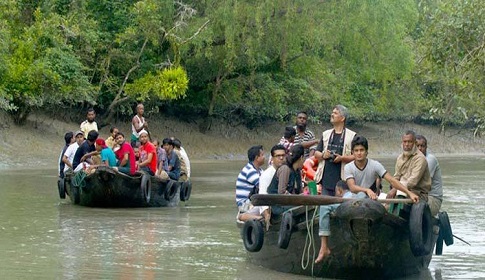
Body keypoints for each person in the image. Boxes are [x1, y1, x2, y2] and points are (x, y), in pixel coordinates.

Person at [314, 105, 357, 196]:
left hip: (344, 180)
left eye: (335, 113)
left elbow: (357, 156)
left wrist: (342, 158)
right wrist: (323, 155)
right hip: (326, 179)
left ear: (342, 118)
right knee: (325, 206)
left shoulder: (352, 136)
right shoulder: (326, 134)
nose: (332, 115)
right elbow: (316, 153)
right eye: (332, 112)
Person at [314, 181, 355, 263]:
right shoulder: (356, 194)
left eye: (336, 192)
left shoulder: (345, 198)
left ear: (339, 190)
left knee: (324, 207)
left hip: (349, 206)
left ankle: (324, 247)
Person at [388, 130, 431, 202]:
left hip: (418, 194)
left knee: (396, 203)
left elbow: (412, 182)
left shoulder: (420, 158)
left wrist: (396, 188)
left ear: (415, 143)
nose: (407, 144)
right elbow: (396, 177)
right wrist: (393, 186)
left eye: (409, 142)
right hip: (400, 190)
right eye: (405, 142)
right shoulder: (400, 158)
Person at [267, 144, 305, 216]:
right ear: (301, 157)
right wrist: (297, 199)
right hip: (277, 205)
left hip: (288, 202)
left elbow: (297, 191)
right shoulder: (285, 169)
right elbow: (282, 192)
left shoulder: (297, 171)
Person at [258, 144, 287, 227]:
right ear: (272, 158)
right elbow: (263, 195)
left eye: (283, 155)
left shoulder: (288, 170)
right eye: (278, 156)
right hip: (273, 208)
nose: (281, 158)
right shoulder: (266, 175)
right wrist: (267, 214)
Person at [235, 145, 265, 222]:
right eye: (262, 155)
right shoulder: (250, 171)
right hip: (245, 204)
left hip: (252, 201)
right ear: (256, 158)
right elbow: (264, 186)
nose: (264, 157)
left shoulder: (260, 170)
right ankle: (254, 218)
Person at [416, 134, 443, 216]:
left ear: (426, 147)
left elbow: (422, 184)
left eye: (422, 146)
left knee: (414, 207)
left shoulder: (430, 160)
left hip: (433, 198)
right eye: (417, 146)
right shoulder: (411, 160)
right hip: (419, 195)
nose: (420, 149)